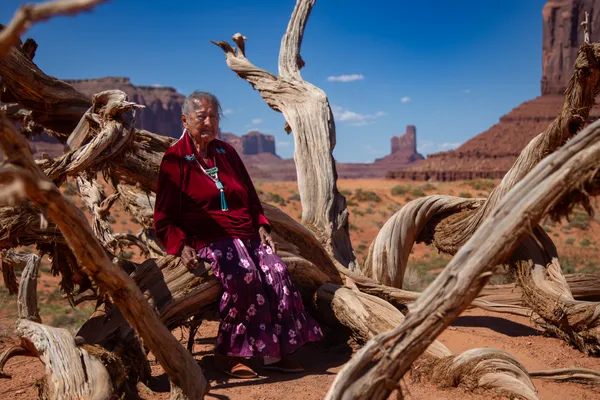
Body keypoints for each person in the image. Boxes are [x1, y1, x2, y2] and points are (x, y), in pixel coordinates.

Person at [153, 90, 324, 379]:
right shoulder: (175, 160)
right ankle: (229, 354)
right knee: (245, 273)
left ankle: (275, 352)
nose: (208, 121)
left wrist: (262, 225)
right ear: (184, 120)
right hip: (209, 238)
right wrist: (180, 246)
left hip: (246, 235)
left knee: (277, 271)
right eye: (201, 116)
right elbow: (164, 216)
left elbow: (251, 198)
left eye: (213, 116)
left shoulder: (227, 153)